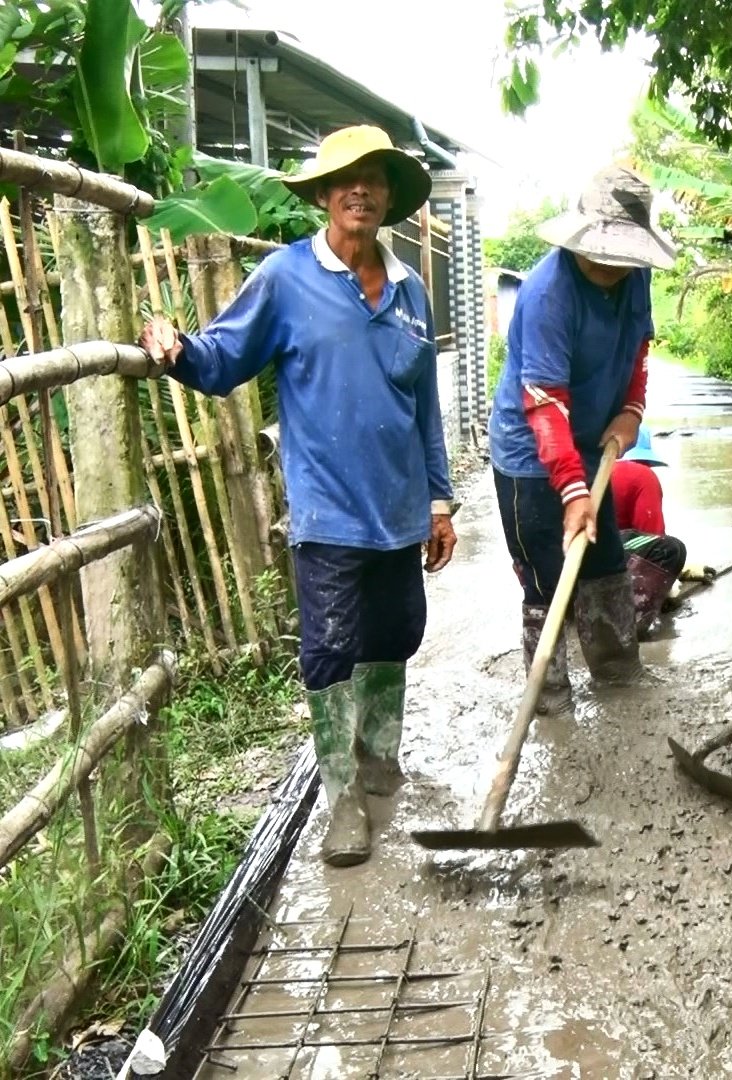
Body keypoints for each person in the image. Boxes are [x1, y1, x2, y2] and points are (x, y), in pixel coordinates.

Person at [139, 126, 454, 868]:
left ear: (387, 195)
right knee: (332, 649)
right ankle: (341, 794)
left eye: (373, 178)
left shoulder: (411, 291)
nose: (360, 190)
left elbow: (426, 409)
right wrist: (179, 348)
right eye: (344, 179)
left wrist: (439, 503)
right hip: (329, 509)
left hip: (399, 507)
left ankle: (379, 759)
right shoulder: (286, 278)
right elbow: (225, 358)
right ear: (321, 194)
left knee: (398, 633)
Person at [488, 165, 675, 713]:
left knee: (606, 567)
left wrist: (632, 413)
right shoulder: (548, 294)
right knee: (547, 584)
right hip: (529, 456)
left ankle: (621, 687)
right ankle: (548, 709)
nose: (614, 265)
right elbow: (545, 408)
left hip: (594, 442)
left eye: (626, 256)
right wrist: (571, 492)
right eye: (606, 253)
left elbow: (638, 352)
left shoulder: (637, 277)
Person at [610, 426, 697, 638]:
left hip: (566, 563)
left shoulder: (591, 468)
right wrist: (671, 580)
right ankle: (631, 624)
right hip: (600, 552)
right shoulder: (640, 474)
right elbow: (653, 536)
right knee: (671, 548)